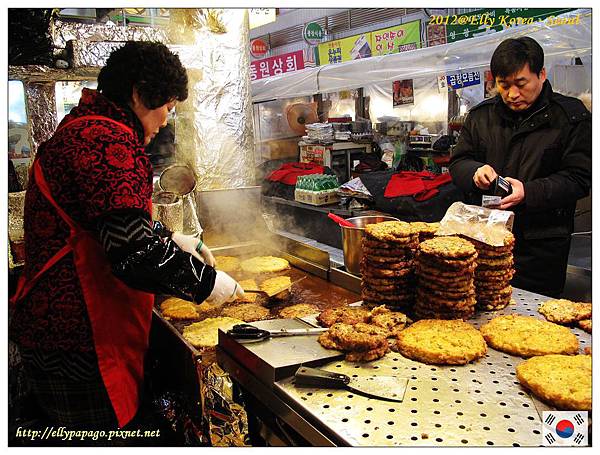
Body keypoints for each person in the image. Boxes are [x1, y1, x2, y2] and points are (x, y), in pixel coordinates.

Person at [9, 41, 244, 432]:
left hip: (59, 335)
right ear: (138, 94)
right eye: (167, 107)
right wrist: (206, 282)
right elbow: (133, 254)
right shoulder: (108, 140)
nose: (167, 121)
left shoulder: (82, 130)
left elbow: (104, 222)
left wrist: (169, 238)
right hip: (83, 340)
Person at [449, 37, 591, 297]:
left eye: (521, 83)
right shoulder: (481, 117)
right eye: (503, 85)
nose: (512, 94)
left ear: (542, 74)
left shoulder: (570, 117)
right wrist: (474, 171)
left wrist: (529, 191)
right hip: (485, 238)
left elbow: (580, 178)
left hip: (541, 248)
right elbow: (458, 162)